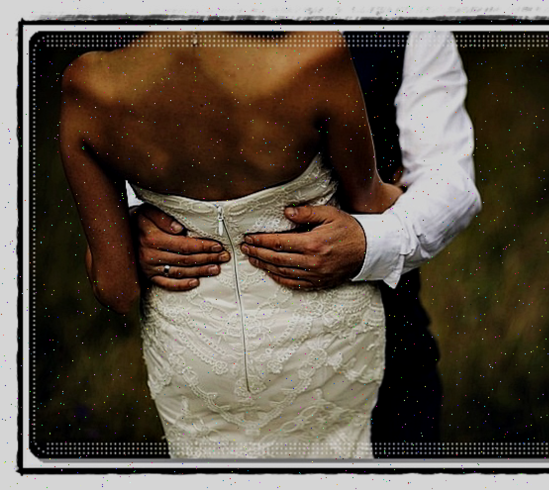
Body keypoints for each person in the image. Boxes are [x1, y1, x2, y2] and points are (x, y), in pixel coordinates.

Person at [132, 31, 482, 457]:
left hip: (381, 343)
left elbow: (449, 179)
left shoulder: (411, 25)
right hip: (210, 366)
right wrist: (134, 221)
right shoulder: (161, 28)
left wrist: (368, 243)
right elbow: (136, 125)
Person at [60, 31, 403, 459]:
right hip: (322, 345)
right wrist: (404, 191)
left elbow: (116, 289)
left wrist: (127, 230)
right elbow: (368, 203)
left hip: (197, 353)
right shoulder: (314, 55)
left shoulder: (90, 84)